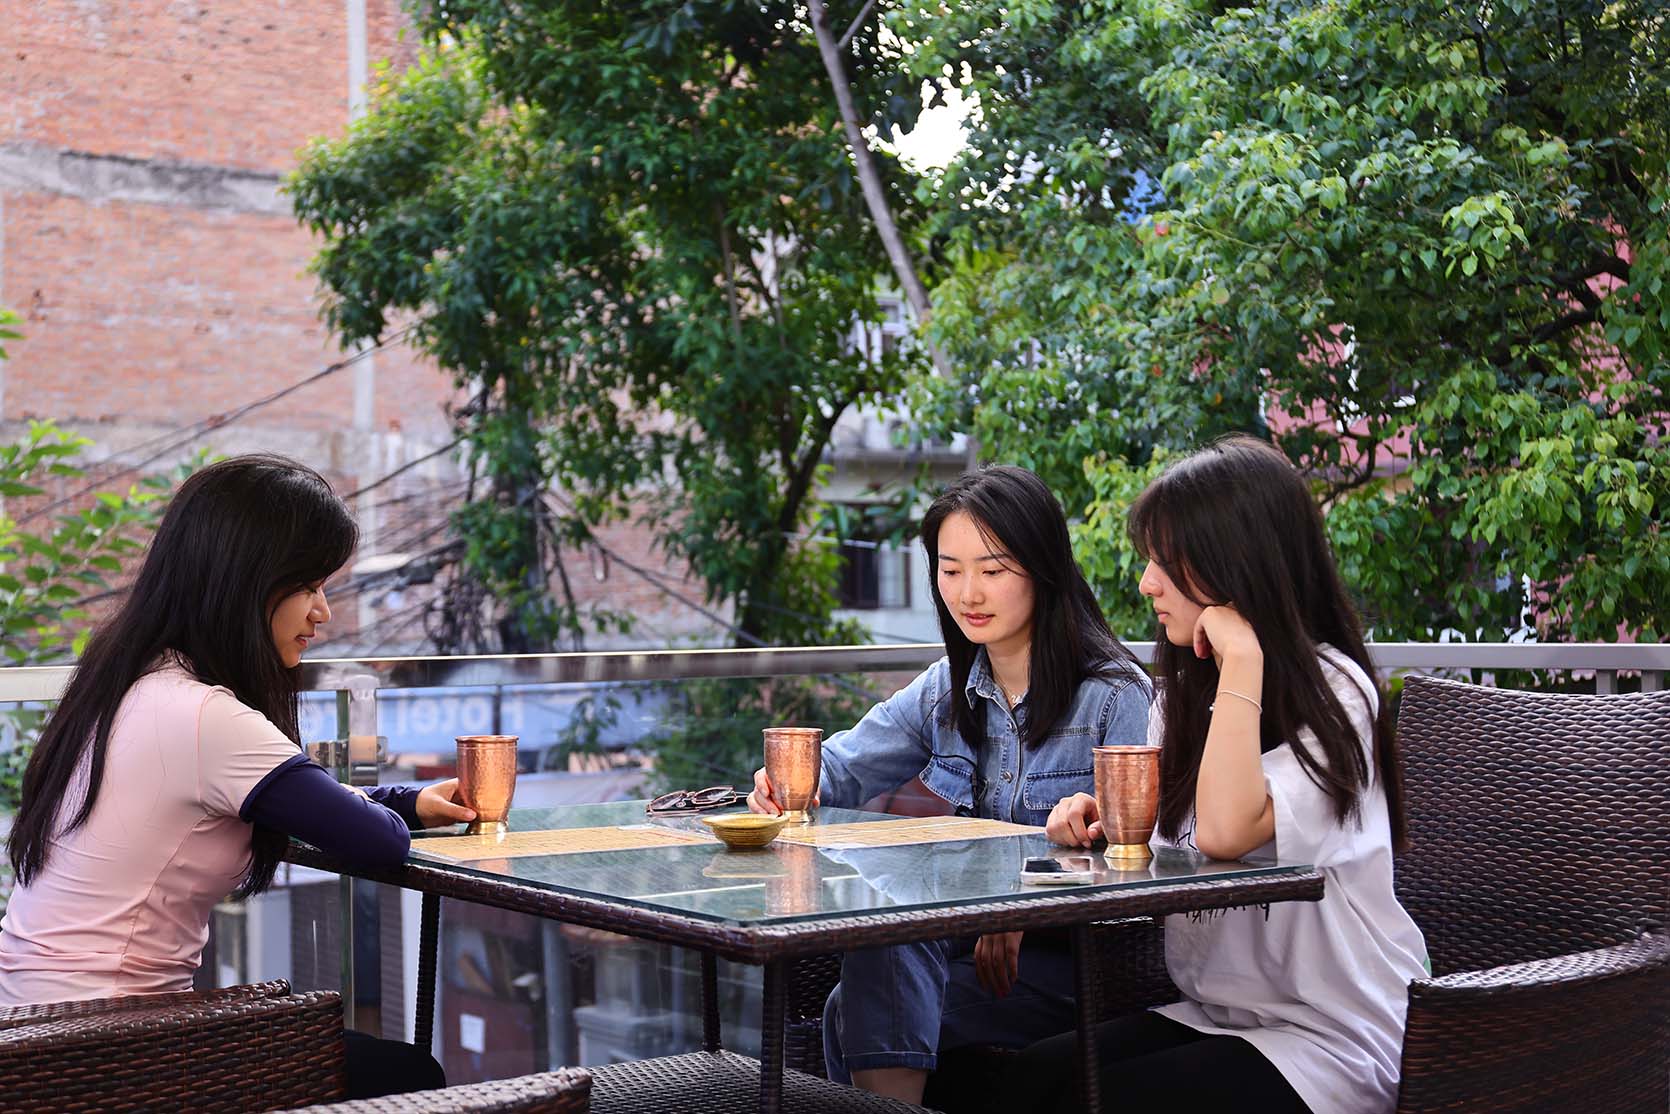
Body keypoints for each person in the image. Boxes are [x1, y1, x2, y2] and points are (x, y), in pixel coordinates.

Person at [0, 454, 476, 1100]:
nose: (324, 612)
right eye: (309, 585)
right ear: (248, 582)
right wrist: (396, 812)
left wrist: (410, 799)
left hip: (41, 1038)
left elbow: (299, 799)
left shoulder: (130, 680)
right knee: (410, 1074)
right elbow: (378, 842)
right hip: (118, 1053)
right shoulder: (203, 716)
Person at [1032, 434, 1429, 1114]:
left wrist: (1244, 657)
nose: (1145, 582)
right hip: (1218, 1012)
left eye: (1166, 561)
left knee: (1108, 1100)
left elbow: (1223, 832)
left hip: (1332, 1036)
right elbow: (1171, 846)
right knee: (1026, 1083)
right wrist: (1098, 823)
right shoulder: (1184, 692)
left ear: (1235, 564)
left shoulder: (1337, 692)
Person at [746, 465, 1152, 1104]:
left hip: (1078, 962)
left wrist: (1020, 896)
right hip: (970, 949)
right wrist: (780, 786)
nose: (969, 593)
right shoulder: (944, 690)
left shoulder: (1112, 697)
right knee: (882, 931)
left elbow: (1138, 863)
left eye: (992, 571)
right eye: (949, 569)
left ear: (1042, 570)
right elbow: (841, 768)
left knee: (845, 1011)